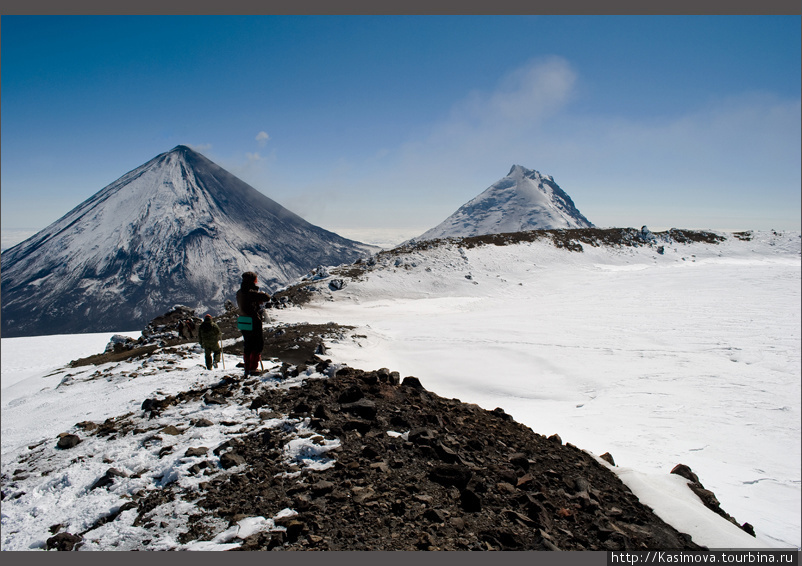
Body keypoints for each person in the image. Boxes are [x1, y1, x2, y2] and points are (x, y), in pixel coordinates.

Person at [236, 271, 271, 376]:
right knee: (257, 344)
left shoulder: (239, 292)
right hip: (253, 321)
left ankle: (247, 367)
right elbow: (266, 297)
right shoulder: (251, 293)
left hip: (242, 321)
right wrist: (258, 294)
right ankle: (253, 368)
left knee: (248, 344)